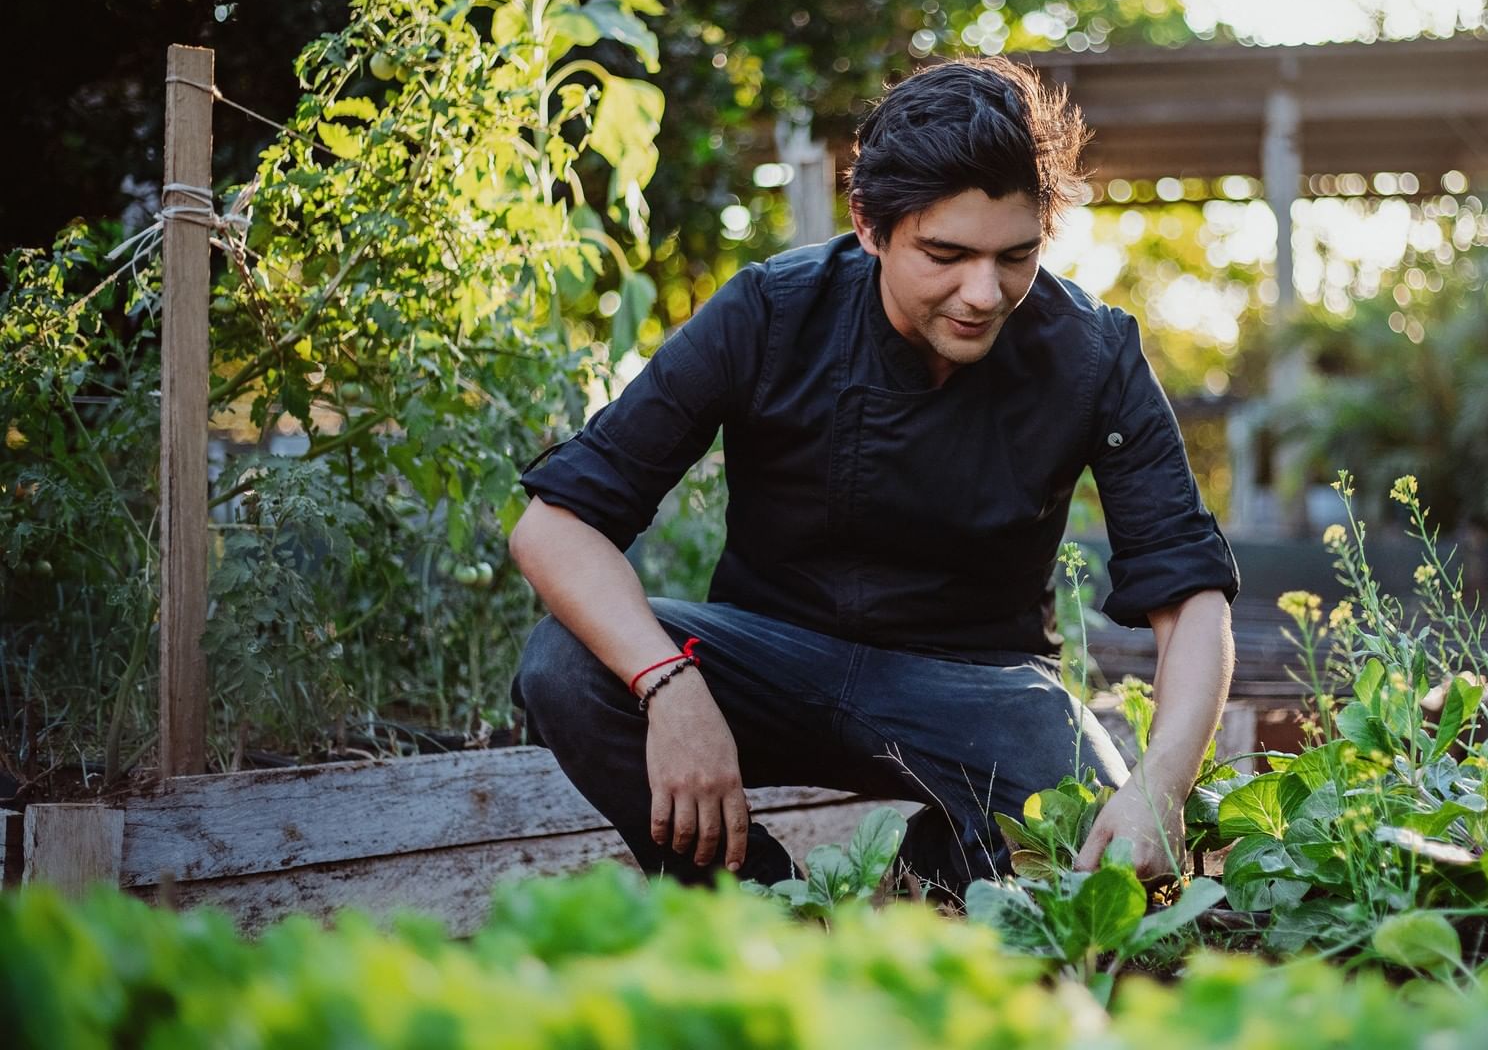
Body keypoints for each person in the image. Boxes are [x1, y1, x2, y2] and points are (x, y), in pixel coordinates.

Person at [508, 55, 1238, 903]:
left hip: (984, 695)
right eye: (945, 253)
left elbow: (1192, 601)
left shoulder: (1094, 353)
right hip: (769, 665)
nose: (983, 292)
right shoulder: (768, 312)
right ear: (868, 224)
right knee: (569, 661)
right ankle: (765, 915)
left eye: (1016, 256)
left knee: (1103, 860)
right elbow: (553, 526)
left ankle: (932, 869)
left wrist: (1159, 786)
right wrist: (669, 687)